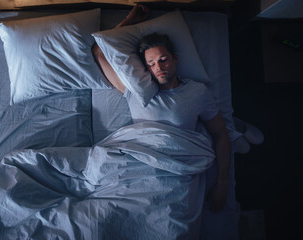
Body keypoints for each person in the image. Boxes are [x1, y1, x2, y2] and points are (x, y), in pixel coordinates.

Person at [91, 4, 231, 213]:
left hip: (177, 172)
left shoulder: (197, 92)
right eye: (151, 63)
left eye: (163, 59)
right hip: (134, 169)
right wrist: (131, 19)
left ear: (175, 59)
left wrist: (222, 184)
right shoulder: (133, 90)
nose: (159, 67)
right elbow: (99, 51)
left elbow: (220, 134)